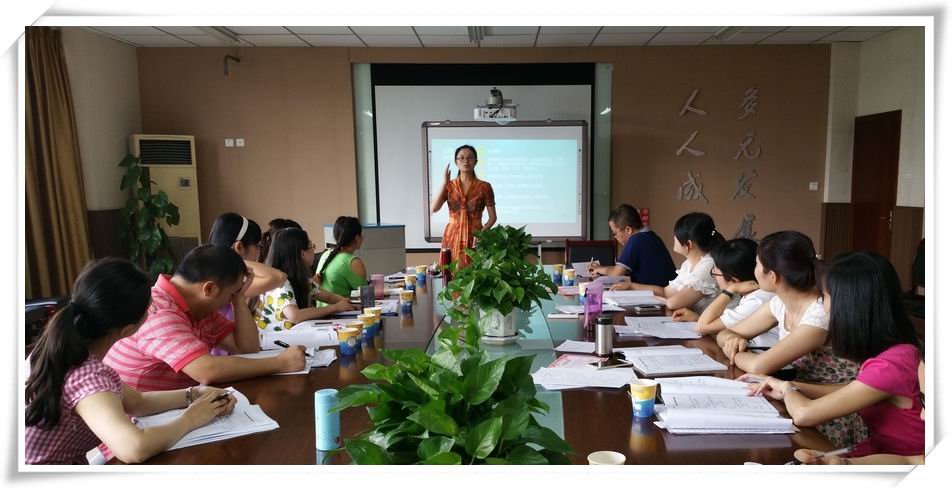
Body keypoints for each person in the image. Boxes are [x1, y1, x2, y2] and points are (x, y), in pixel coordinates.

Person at [25, 258, 237, 464]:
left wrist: (194, 394)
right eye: (150, 310)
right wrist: (190, 419)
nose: (154, 312)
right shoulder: (87, 375)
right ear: (127, 330)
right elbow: (134, 448)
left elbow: (137, 402)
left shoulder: (57, 349)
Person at [743, 252, 923, 460]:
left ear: (848, 303)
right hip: (879, 454)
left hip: (899, 463)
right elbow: (855, 389)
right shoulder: (897, 350)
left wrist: (787, 388)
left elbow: (804, 414)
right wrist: (787, 387)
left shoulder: (892, 363)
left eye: (825, 296)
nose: (823, 305)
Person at [716, 231, 866, 448]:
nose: (754, 270)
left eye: (757, 264)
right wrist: (732, 339)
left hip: (831, 409)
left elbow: (759, 366)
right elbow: (725, 333)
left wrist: (736, 351)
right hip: (793, 395)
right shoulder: (780, 302)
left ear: (773, 276)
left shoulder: (818, 314)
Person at [103, 245, 306, 391]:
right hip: (140, 424)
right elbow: (207, 371)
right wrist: (280, 363)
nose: (230, 299)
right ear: (209, 289)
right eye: (231, 294)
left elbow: (247, 349)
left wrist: (238, 298)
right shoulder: (158, 312)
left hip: (175, 409)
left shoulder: (198, 308)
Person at [609, 212, 723, 314]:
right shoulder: (688, 264)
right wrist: (631, 286)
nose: (674, 238)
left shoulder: (708, 265)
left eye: (677, 236)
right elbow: (665, 292)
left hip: (713, 329)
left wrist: (657, 299)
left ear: (689, 244)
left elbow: (673, 303)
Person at [673, 238, 777, 345]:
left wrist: (730, 290)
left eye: (716, 273)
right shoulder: (753, 295)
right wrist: (697, 318)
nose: (714, 276)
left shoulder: (757, 300)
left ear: (734, 280)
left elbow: (702, 327)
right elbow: (722, 328)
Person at [254, 228, 357, 331]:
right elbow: (295, 316)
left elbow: (328, 297)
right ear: (302, 254)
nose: (313, 250)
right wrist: (335, 307)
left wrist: (350, 304)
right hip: (276, 339)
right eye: (311, 246)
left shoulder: (301, 280)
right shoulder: (281, 282)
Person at [208, 212, 287, 317]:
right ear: (239, 247)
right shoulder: (230, 280)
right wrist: (234, 259)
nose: (258, 252)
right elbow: (279, 277)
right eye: (257, 246)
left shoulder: (210, 270)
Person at [430, 145, 497, 268]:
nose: (466, 161)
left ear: (476, 161)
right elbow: (434, 208)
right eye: (461, 158)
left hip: (476, 236)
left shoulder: (485, 187)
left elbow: (493, 217)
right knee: (451, 272)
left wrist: (482, 234)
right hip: (452, 236)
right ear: (456, 162)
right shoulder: (450, 186)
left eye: (470, 157)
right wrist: (444, 183)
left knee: (475, 273)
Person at [587, 203, 675, 287]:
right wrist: (602, 268)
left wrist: (599, 269)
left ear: (628, 230)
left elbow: (616, 273)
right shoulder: (651, 236)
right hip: (666, 290)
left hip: (655, 294)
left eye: (615, 233)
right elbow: (622, 270)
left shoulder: (636, 240)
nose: (615, 237)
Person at [314, 216, 368, 297]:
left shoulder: (326, 254)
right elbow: (366, 295)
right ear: (357, 238)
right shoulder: (354, 262)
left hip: (325, 305)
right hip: (342, 305)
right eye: (361, 233)